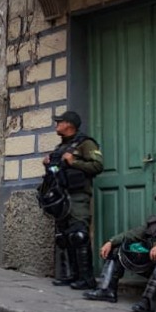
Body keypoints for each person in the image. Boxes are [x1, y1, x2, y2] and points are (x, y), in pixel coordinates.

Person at [83, 188, 156, 312]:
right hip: (151, 263)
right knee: (118, 250)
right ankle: (106, 290)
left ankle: (148, 300)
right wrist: (111, 241)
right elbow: (134, 233)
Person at [40, 111, 104, 289]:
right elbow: (56, 170)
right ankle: (72, 275)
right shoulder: (61, 147)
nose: (56, 125)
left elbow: (98, 166)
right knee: (65, 237)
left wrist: (73, 162)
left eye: (59, 122)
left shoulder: (86, 143)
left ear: (69, 124)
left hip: (77, 195)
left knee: (79, 235)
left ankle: (87, 278)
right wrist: (49, 164)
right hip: (61, 197)